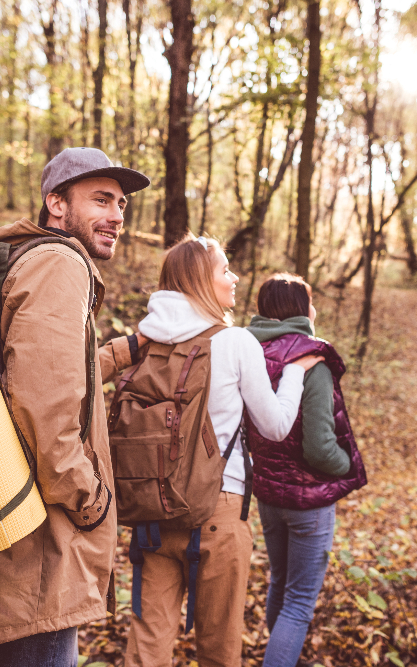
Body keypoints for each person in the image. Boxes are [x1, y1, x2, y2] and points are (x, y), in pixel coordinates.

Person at [0, 147, 150, 667]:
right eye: (101, 200)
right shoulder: (59, 262)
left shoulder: (30, 258)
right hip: (44, 542)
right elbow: (44, 407)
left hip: (20, 525)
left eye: (121, 205)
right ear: (56, 204)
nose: (116, 215)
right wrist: (88, 496)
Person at [123, 235, 323, 667]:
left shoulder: (146, 341)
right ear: (199, 281)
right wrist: (293, 374)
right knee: (219, 648)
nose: (233, 280)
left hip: (151, 510)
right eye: (224, 271)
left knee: (148, 646)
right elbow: (274, 426)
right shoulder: (235, 343)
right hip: (217, 510)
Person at [245, 273, 368, 667]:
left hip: (267, 493)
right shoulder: (311, 360)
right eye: (310, 302)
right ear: (301, 309)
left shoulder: (249, 352)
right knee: (298, 603)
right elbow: (318, 447)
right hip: (308, 502)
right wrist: (345, 464)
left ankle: (277, 654)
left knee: (280, 584)